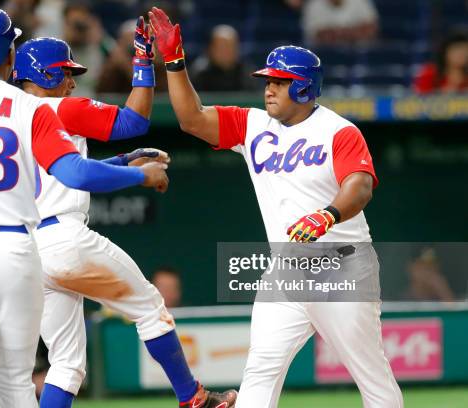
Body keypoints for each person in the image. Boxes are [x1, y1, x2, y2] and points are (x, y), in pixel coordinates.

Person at [0, 7, 168, 408]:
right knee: (16, 383)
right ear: (10, 55)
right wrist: (139, 176)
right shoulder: (30, 107)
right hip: (13, 249)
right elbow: (74, 173)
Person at [148, 7, 403, 408]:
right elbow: (191, 119)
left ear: (303, 88)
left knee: (371, 377)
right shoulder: (254, 126)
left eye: (279, 82)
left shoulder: (338, 130)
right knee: (261, 369)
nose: (268, 88)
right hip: (285, 269)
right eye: (267, 81)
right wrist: (175, 62)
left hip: (342, 267)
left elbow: (360, 184)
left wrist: (328, 214)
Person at [12, 18, 237, 408]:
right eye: (65, 72)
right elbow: (134, 120)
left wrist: (122, 161)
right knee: (150, 307)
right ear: (44, 74)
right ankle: (193, 399)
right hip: (64, 238)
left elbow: (60, 172)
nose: (71, 81)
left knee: (66, 364)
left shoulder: (4, 118)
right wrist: (142, 58)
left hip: (26, 250)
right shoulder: (59, 107)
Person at [191, 25, 254, 92]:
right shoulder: (200, 74)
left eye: (231, 47)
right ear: (210, 49)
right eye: (222, 47)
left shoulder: (246, 73)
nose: (227, 52)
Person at [289, 0, 378, 46]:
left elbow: (370, 29)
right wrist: (352, 32)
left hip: (358, 58)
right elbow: (318, 36)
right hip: (323, 59)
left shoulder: (360, 2)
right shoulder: (313, 5)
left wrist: (337, 33)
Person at [413, 30, 468, 94]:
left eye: (466, 50)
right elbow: (418, 98)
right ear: (445, 52)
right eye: (457, 49)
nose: (462, 54)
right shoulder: (429, 74)